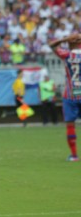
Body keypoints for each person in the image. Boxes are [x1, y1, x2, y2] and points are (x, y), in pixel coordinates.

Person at [49, 34, 81, 162]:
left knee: (70, 125)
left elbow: (52, 46)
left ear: (69, 43)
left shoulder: (67, 54)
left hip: (70, 95)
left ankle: (74, 155)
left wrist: (63, 39)